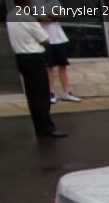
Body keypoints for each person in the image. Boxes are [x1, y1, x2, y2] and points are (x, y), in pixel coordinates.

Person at [6, 0, 66, 137]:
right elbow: (45, 39)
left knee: (32, 95)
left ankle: (39, 127)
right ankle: (47, 128)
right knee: (42, 94)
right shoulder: (28, 17)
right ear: (26, 2)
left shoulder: (10, 15)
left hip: (21, 57)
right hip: (34, 57)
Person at [34, 0, 81, 103]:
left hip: (59, 38)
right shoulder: (35, 2)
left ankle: (67, 92)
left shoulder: (54, 1)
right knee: (49, 67)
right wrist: (54, 15)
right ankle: (51, 92)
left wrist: (50, 15)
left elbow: (64, 15)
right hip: (46, 39)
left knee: (63, 65)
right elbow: (42, 19)